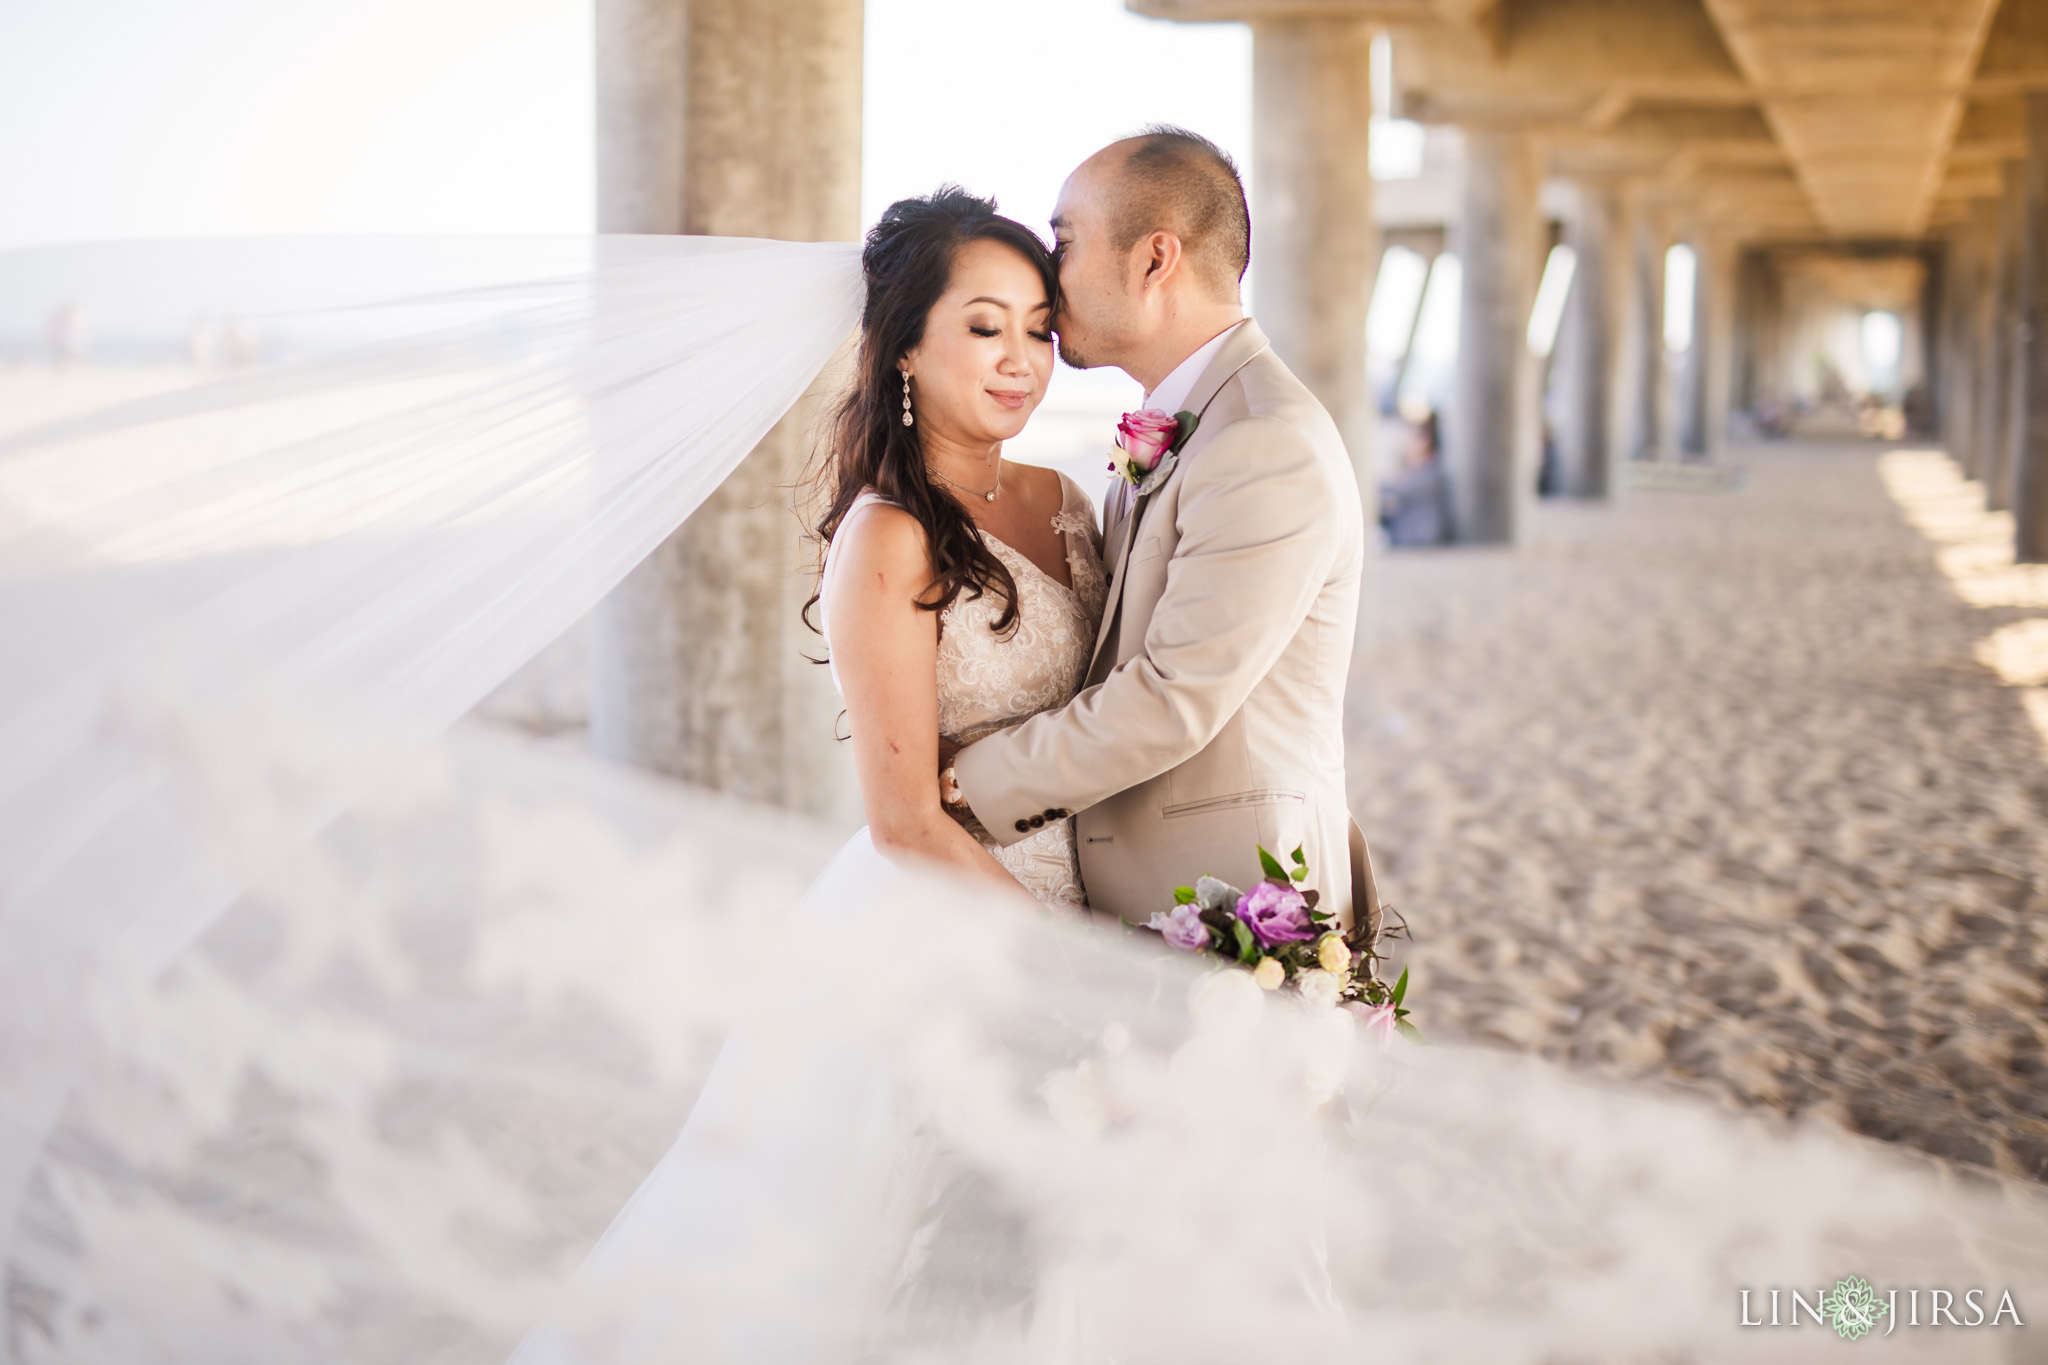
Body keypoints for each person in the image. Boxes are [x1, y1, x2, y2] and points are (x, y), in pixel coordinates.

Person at [941, 126, 1378, 938]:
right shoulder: (1188, 423)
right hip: (1154, 895)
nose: (1048, 271)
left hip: (1239, 899)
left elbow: (1174, 695)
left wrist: (969, 779)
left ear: (1154, 259)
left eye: (1064, 242)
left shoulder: (1261, 440)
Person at [1380, 409, 1453, 546]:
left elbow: (1393, 490)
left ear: (1425, 441)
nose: (1407, 445)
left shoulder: (1430, 473)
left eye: (1413, 438)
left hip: (1422, 548)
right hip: (1410, 546)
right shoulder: (1418, 471)